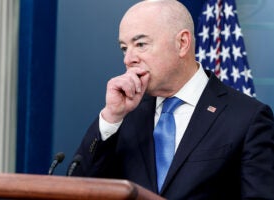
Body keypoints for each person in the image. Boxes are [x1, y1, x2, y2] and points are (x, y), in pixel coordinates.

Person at [71, 0, 274, 199]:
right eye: (124, 48)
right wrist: (111, 117)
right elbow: (78, 188)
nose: (128, 59)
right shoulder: (124, 115)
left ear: (182, 43)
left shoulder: (247, 118)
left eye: (140, 44)